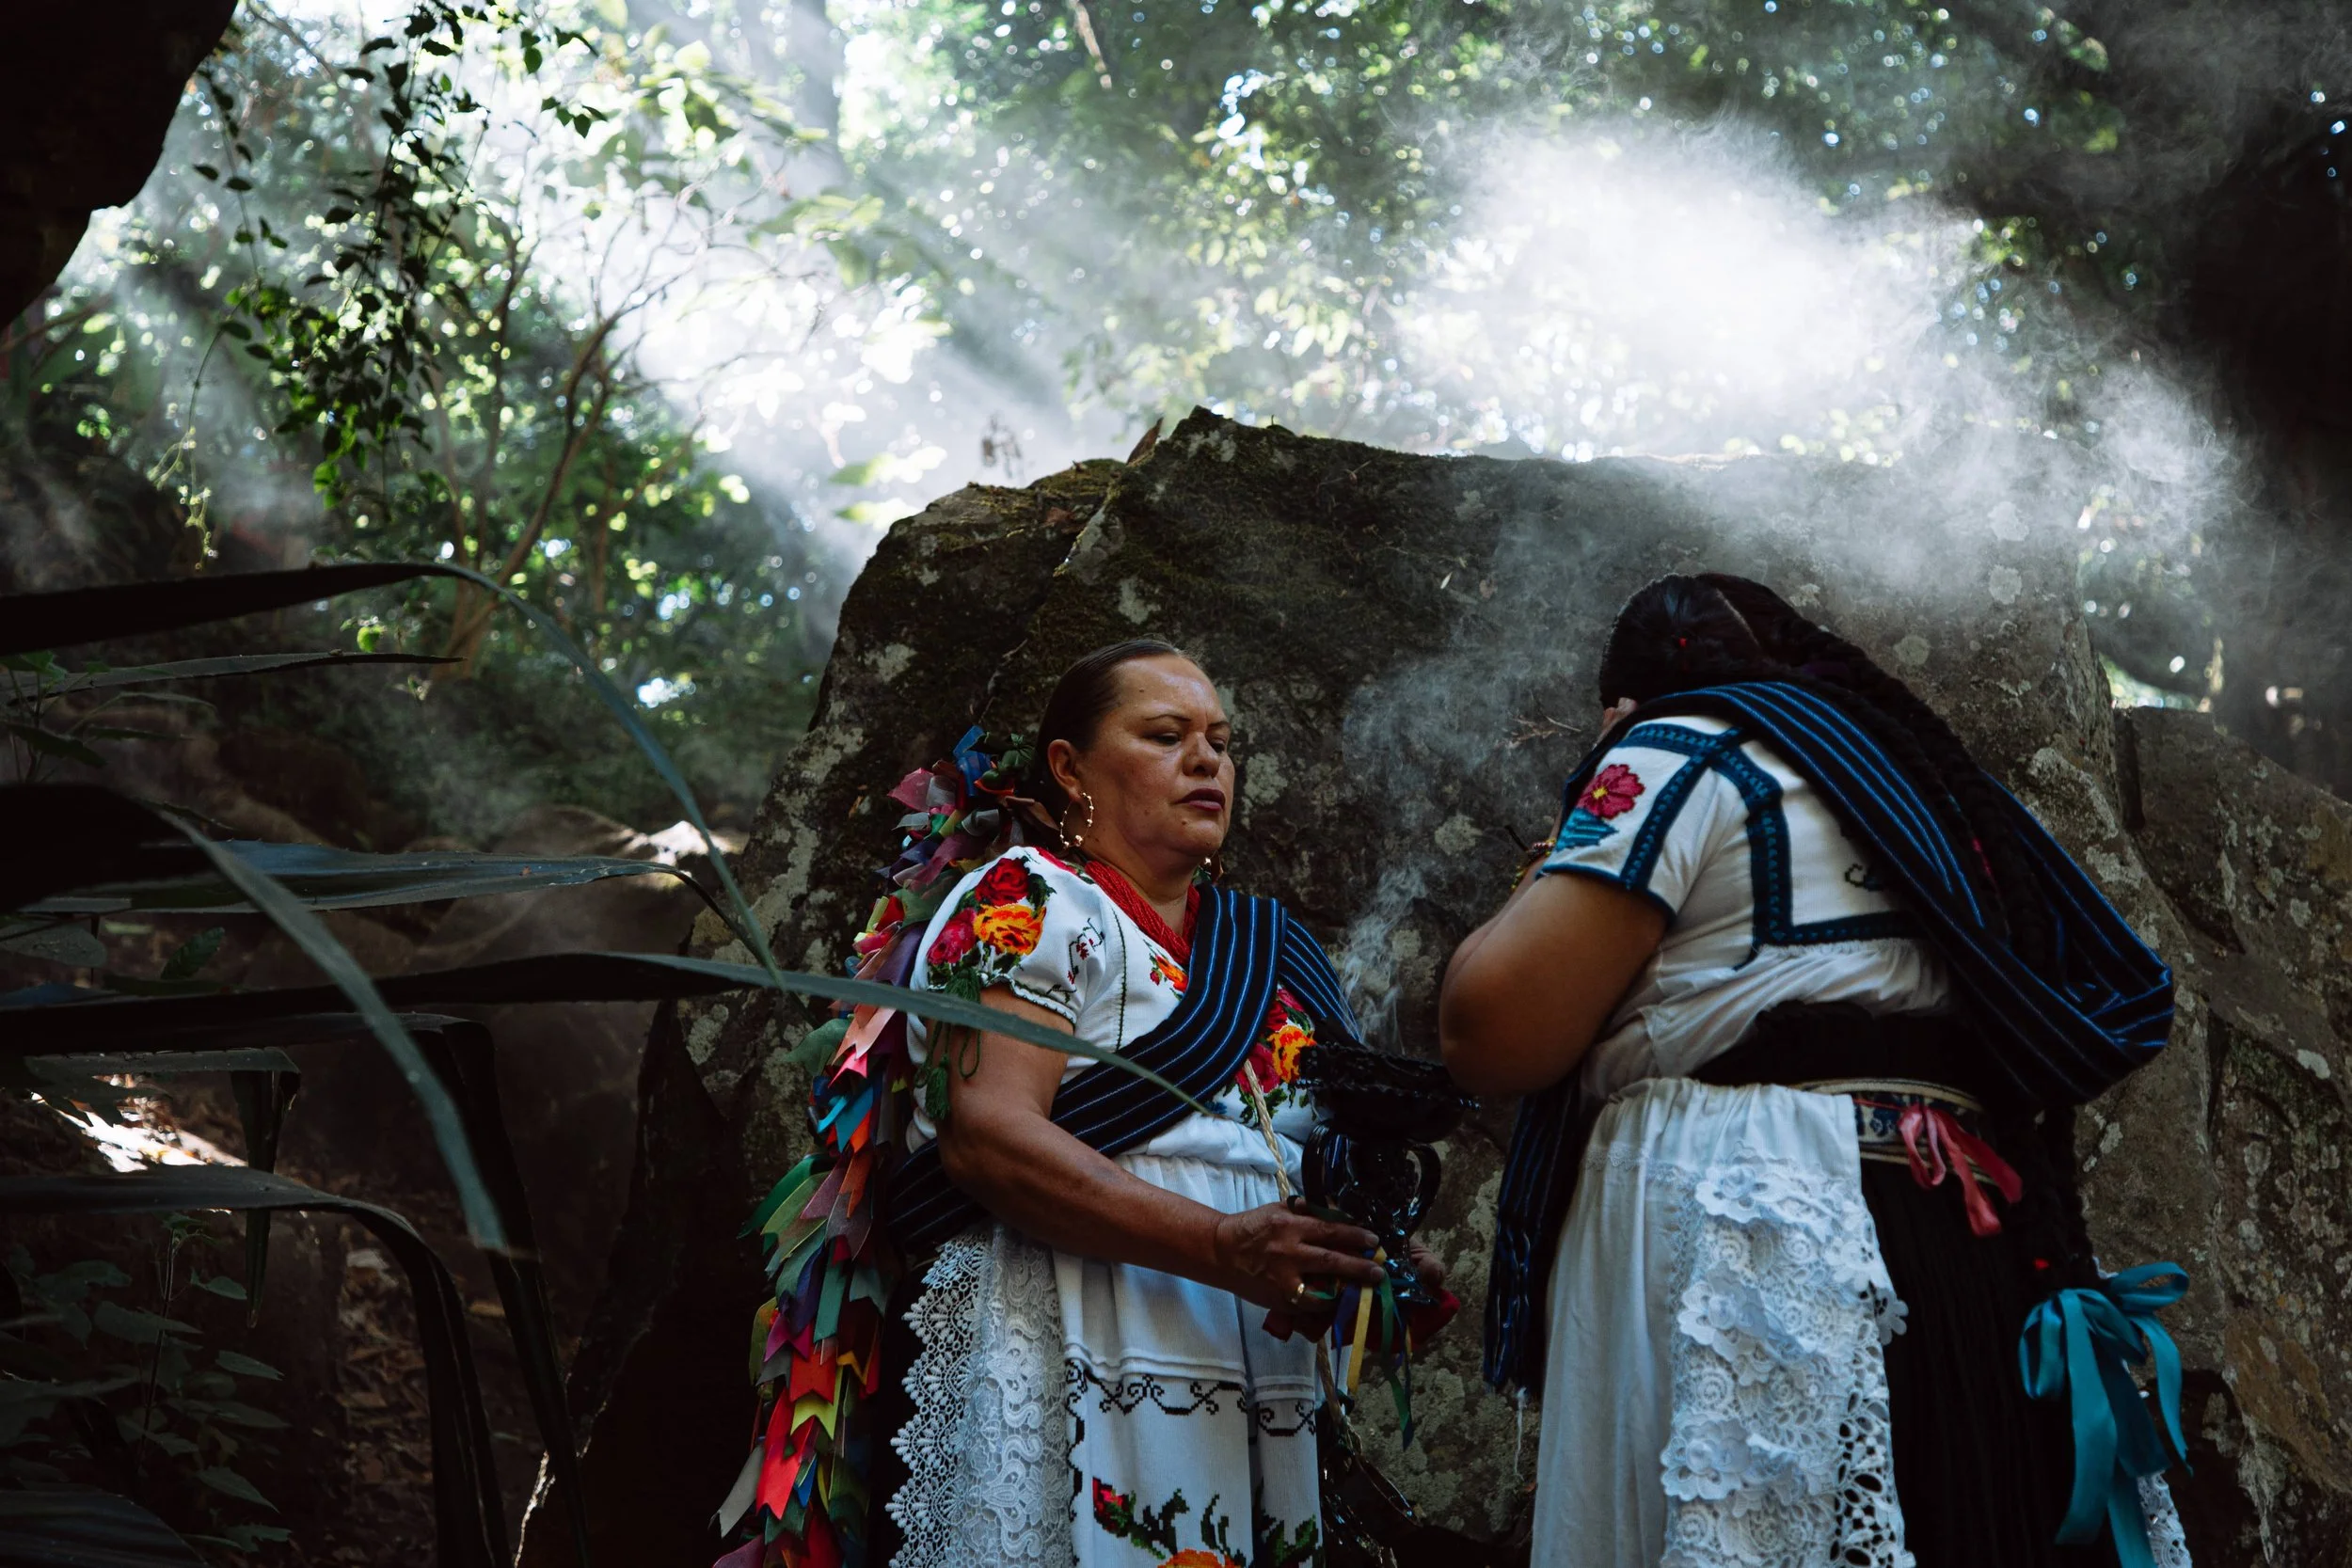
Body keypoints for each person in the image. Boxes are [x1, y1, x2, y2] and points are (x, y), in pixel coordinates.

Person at [1440, 575, 2189, 1568]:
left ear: (1627, 698)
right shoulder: (1917, 789)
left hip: (1768, 1235)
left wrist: (1581, 805)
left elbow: (1492, 1028)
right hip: (1955, 1236)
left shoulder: (1678, 744)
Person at [875, 639, 1420, 1568]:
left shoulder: (1274, 958)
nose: (1206, 758)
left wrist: (1375, 1261)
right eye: (1166, 734)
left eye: (1219, 738)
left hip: (1259, 1365)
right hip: (1084, 1329)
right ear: (1068, 767)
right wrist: (1218, 1243)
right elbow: (987, 1137)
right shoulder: (1030, 897)